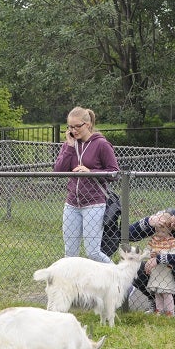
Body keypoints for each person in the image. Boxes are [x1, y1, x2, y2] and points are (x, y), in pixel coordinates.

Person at [53, 107, 119, 263]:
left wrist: (90, 171)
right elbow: (58, 171)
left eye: (77, 126)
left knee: (93, 253)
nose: (73, 130)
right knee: (70, 254)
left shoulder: (102, 144)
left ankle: (123, 283)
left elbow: (114, 173)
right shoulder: (69, 145)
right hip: (72, 204)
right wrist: (69, 147)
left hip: (94, 204)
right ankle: (74, 287)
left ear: (88, 124)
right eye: (70, 127)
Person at [146, 223, 175, 316]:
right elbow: (146, 251)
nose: (160, 234)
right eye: (157, 231)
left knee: (166, 292)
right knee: (157, 292)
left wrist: (161, 253)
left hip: (166, 270)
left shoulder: (171, 241)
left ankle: (170, 312)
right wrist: (150, 254)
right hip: (155, 270)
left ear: (169, 230)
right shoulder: (154, 239)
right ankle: (159, 310)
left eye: (163, 231)